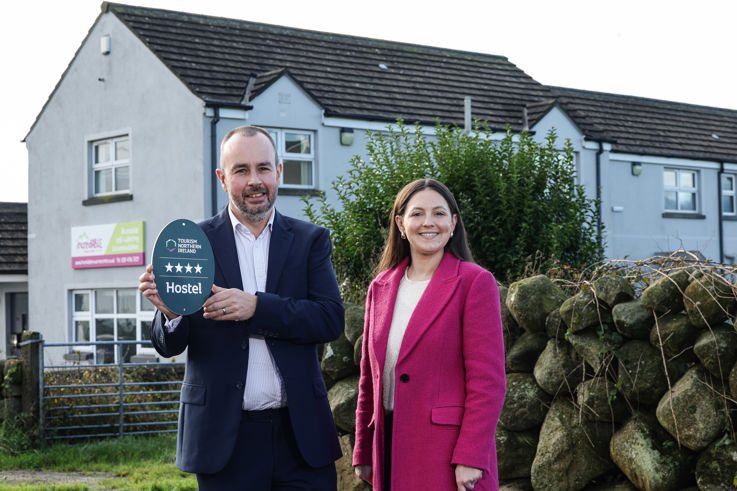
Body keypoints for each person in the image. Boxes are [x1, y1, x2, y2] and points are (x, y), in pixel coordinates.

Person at [138, 125, 344, 490]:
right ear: (222, 178)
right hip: (223, 440)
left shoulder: (311, 240)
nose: (255, 180)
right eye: (241, 170)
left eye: (264, 168)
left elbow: (329, 320)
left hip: (301, 438)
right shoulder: (191, 244)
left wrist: (256, 308)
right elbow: (169, 345)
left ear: (279, 172)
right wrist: (170, 314)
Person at [352, 178, 506, 491]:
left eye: (438, 213)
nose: (428, 223)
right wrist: (363, 449)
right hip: (389, 447)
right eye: (417, 214)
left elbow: (487, 382)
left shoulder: (474, 283)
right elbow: (369, 378)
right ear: (400, 223)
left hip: (448, 454)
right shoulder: (379, 288)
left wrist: (472, 456)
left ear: (453, 222)